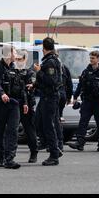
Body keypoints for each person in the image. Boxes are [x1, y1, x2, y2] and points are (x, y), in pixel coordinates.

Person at [0, 45, 28, 169]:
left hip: (14, 104)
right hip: (1, 104)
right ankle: (0, 157)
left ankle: (9, 158)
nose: (16, 54)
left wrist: (25, 102)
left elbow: (21, 86)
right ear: (8, 54)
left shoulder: (15, 67)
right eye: (14, 52)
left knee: (13, 130)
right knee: (0, 131)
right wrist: (2, 94)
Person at [68, 51, 99, 152]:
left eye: (93, 58)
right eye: (90, 58)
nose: (91, 60)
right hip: (87, 101)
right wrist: (75, 97)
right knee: (83, 122)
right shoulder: (86, 71)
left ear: (98, 59)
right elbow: (80, 85)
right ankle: (80, 143)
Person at [33, 37, 62, 166]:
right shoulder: (48, 61)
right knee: (37, 121)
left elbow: (51, 81)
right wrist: (34, 85)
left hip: (50, 98)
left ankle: (54, 155)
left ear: (43, 48)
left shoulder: (50, 62)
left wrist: (39, 72)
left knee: (48, 126)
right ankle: (45, 141)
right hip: (45, 96)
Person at [16, 49, 39, 163]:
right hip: (15, 103)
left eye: (19, 59)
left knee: (29, 129)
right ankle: (5, 152)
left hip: (28, 104)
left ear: (25, 59)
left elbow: (30, 88)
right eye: (16, 59)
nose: (17, 61)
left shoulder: (30, 73)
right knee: (10, 129)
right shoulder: (14, 71)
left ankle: (34, 152)